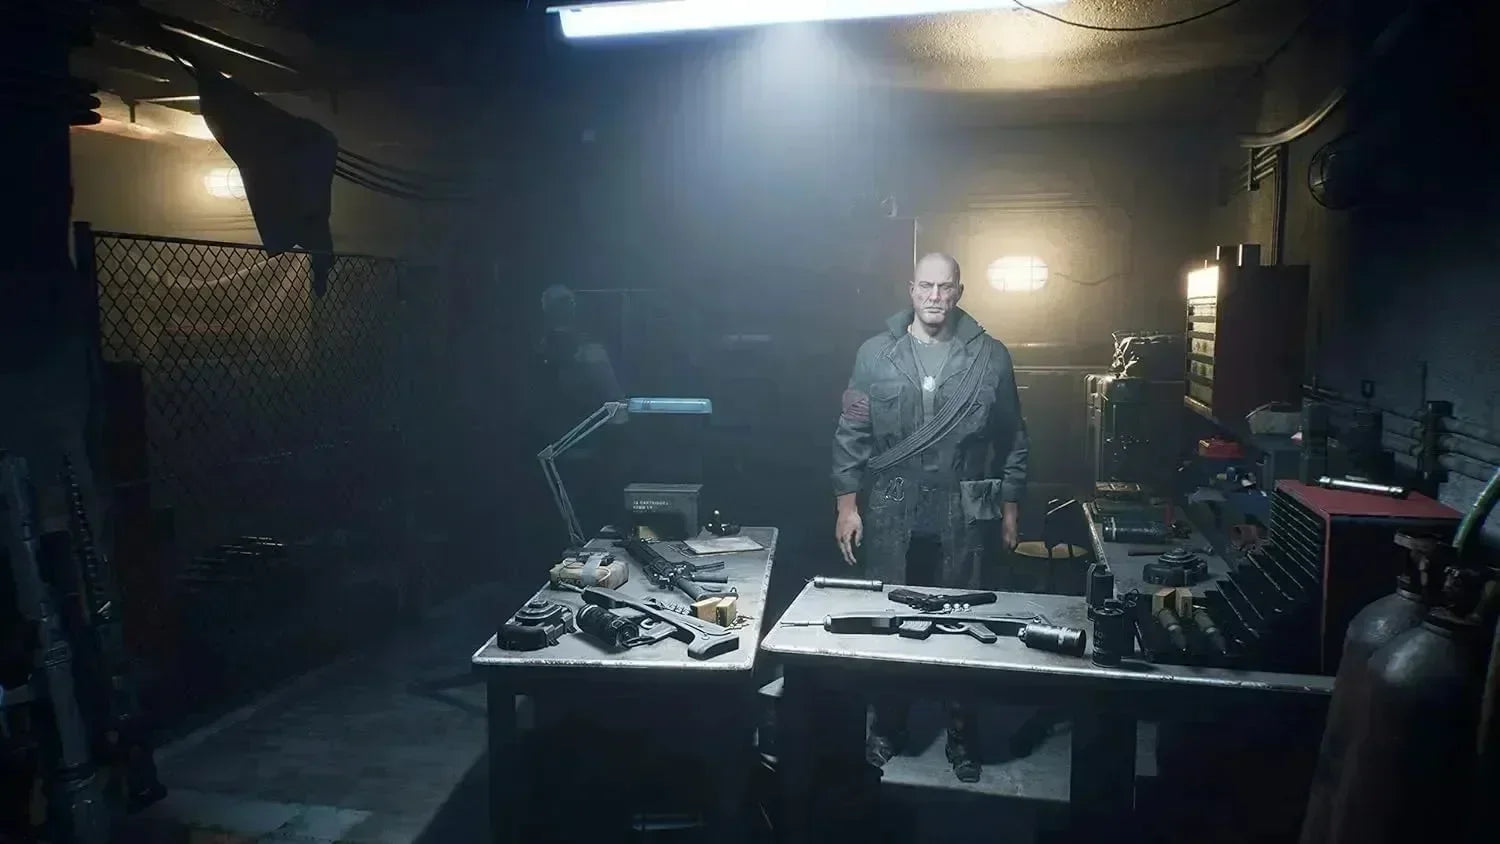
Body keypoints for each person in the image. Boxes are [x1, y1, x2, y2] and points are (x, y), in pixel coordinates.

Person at [830, 252, 1029, 782]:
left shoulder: (991, 356)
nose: (935, 296)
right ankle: (887, 725)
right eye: (926, 286)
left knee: (965, 623)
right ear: (911, 289)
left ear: (959, 291)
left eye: (945, 287)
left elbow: (1013, 436)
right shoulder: (875, 354)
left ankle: (962, 734)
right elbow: (852, 432)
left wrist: (1010, 508)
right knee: (888, 619)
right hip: (893, 505)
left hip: (967, 510)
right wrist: (847, 505)